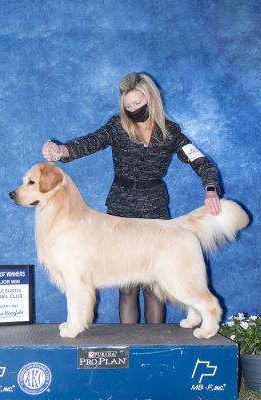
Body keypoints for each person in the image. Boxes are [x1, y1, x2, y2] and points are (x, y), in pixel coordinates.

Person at [42, 72, 222, 325]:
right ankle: (130, 344)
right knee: (126, 286)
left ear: (151, 98)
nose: (132, 109)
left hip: (154, 209)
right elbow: (90, 142)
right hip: (120, 209)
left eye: (137, 103)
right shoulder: (116, 126)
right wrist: (61, 151)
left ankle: (154, 343)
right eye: (128, 106)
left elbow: (198, 160)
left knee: (154, 284)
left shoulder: (171, 132)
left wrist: (210, 187)